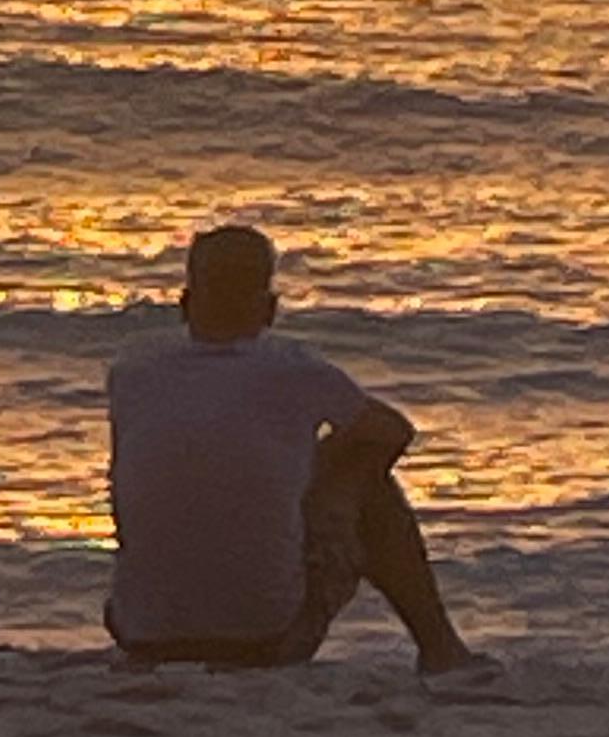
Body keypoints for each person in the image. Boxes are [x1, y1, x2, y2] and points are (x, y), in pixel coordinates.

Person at [105, 224, 491, 680]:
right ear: (269, 309)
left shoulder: (132, 371)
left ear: (185, 305)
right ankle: (441, 649)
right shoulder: (295, 369)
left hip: (141, 635)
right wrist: (319, 469)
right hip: (265, 638)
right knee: (370, 483)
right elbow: (391, 433)